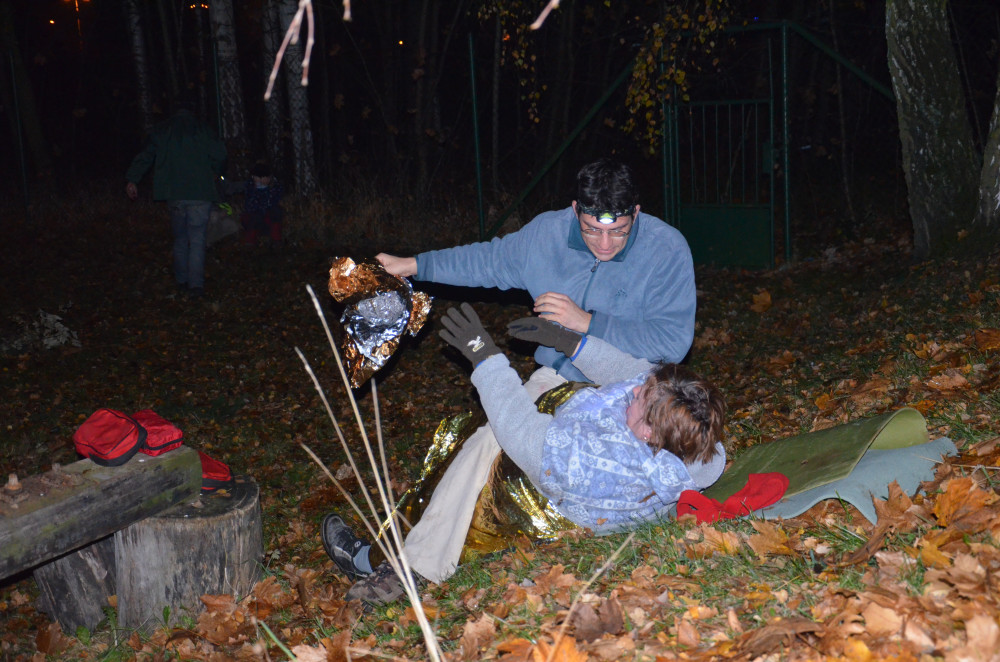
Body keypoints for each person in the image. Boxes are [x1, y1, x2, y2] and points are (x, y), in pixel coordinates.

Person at [323, 157, 698, 601]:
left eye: (618, 232)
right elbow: (487, 260)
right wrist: (413, 265)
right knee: (482, 441)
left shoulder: (665, 250)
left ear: (635, 213)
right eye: (591, 230)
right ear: (575, 210)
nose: (604, 244)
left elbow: (672, 342)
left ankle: (404, 567)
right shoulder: (546, 236)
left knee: (507, 445)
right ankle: (400, 556)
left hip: (629, 393)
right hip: (556, 377)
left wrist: (586, 323)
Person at [324, 305, 725, 603]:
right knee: (545, 382)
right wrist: (571, 342)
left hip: (548, 498)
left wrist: (485, 356)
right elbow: (635, 374)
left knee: (483, 446)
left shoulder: (592, 465)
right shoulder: (694, 439)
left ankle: (400, 566)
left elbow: (521, 431)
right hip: (564, 435)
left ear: (648, 431)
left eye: (640, 398)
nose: (634, 389)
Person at [125, 93, 227, 298]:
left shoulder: (163, 130)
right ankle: (196, 286)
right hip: (200, 192)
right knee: (197, 240)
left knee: (180, 238)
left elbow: (146, 156)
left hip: (174, 193)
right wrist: (217, 172)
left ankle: (182, 281)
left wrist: (132, 179)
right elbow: (220, 154)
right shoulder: (203, 129)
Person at [241, 162, 284, 249]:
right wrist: (257, 191)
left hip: (268, 216)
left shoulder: (275, 187)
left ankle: (276, 240)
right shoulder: (249, 187)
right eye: (258, 177)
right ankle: (250, 242)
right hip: (254, 216)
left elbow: (272, 202)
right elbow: (250, 205)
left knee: (276, 212)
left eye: (263, 177)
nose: (260, 180)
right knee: (253, 217)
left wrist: (266, 190)